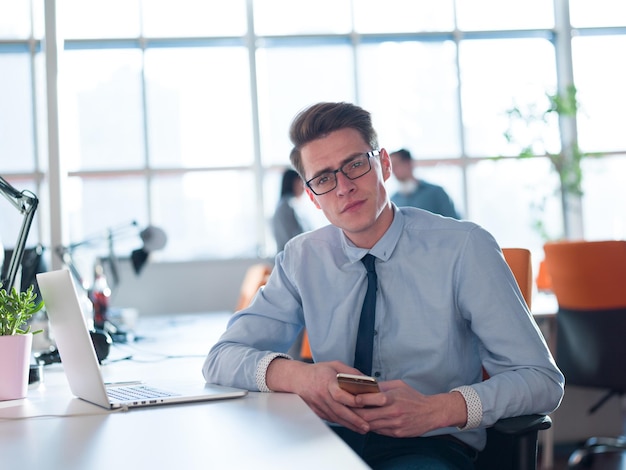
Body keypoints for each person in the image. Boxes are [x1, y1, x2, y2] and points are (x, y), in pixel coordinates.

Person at [204, 102, 564, 469]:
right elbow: (222, 358)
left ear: (384, 165)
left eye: (355, 164)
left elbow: (541, 379)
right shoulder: (302, 257)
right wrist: (302, 376)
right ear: (312, 196)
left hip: (431, 442)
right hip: (327, 439)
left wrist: (438, 409)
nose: (343, 187)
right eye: (324, 179)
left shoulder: (464, 248)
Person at [390, 148, 460, 219]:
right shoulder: (393, 200)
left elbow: (454, 222)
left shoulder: (436, 192)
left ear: (408, 163)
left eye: (395, 165)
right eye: (391, 166)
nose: (392, 170)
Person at [272, 162, 308, 252]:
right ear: (292, 183)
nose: (303, 187)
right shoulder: (287, 206)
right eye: (300, 182)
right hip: (293, 256)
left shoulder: (286, 204)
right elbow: (294, 237)